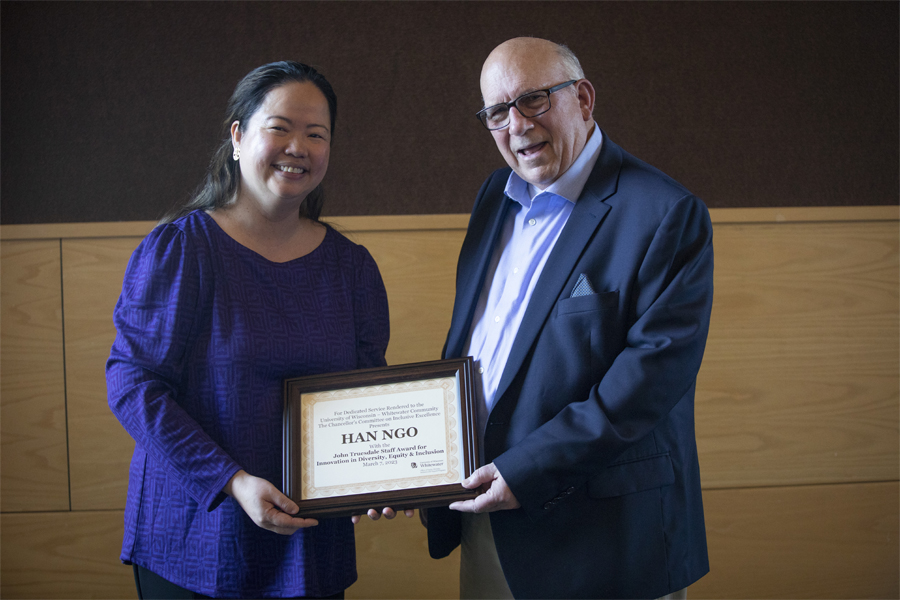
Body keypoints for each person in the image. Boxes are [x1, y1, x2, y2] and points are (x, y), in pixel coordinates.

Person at [423, 38, 714, 599]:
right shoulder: (494, 196)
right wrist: (414, 465)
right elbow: (478, 347)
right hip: (491, 518)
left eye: (533, 100)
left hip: (605, 540)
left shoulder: (665, 213)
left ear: (583, 98)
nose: (517, 125)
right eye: (497, 112)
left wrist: (524, 471)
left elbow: (646, 384)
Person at [107, 61, 398, 599]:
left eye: (317, 134)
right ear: (238, 136)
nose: (298, 146)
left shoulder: (351, 267)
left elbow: (365, 393)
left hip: (311, 542)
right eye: (280, 127)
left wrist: (376, 473)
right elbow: (131, 385)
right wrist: (231, 481)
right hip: (197, 533)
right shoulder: (183, 249)